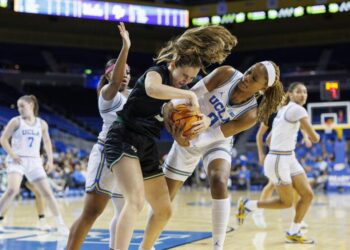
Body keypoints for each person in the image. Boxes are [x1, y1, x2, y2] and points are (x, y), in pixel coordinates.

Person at [104, 25, 237, 250]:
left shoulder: (178, 91)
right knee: (135, 202)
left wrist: (198, 126)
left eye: (191, 78)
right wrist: (188, 95)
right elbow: (153, 89)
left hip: (146, 145)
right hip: (124, 136)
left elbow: (181, 126)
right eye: (184, 75)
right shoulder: (157, 73)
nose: (186, 81)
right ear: (173, 65)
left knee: (164, 209)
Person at [157, 60, 284, 250]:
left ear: (263, 88)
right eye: (249, 71)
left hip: (217, 139)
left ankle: (218, 246)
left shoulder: (250, 114)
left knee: (219, 180)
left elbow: (214, 136)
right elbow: (190, 95)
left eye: (254, 78)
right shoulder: (226, 74)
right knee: (164, 198)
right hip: (189, 130)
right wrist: (171, 111)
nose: (247, 77)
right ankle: (150, 242)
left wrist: (197, 133)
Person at [67, 22, 130, 250]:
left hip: (126, 158)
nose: (125, 75)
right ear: (108, 75)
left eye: (128, 73)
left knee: (126, 211)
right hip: (106, 154)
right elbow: (115, 81)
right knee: (91, 212)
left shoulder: (131, 95)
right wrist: (126, 45)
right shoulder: (106, 93)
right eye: (120, 72)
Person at [236, 82, 320, 244]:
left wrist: (283, 143)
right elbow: (315, 138)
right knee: (286, 202)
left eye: (305, 92)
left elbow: (268, 139)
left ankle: (294, 231)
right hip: (279, 159)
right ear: (291, 94)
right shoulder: (298, 109)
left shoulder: (282, 111)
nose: (303, 95)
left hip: (288, 157)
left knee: (308, 194)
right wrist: (312, 136)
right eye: (299, 92)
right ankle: (249, 205)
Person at [0, 95, 69, 234]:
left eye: (22, 106)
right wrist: (12, 154)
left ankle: (60, 224)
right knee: (12, 190)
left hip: (34, 161)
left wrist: (50, 160)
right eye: (18, 107)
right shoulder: (16, 121)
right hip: (17, 160)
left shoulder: (42, 123)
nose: (20, 109)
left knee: (47, 193)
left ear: (31, 105)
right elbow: (3, 140)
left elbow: (48, 142)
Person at [254, 102, 311, 229]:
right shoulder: (272, 114)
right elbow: (259, 136)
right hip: (276, 155)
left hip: (288, 155)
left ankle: (298, 219)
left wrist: (306, 137)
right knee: (271, 185)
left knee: (296, 188)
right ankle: (258, 212)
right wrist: (261, 155)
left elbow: (302, 125)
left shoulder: (290, 113)